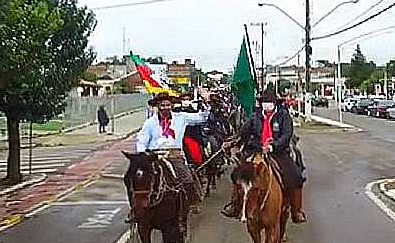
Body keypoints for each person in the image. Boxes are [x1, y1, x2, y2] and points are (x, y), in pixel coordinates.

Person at [124, 89, 212, 223]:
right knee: (131, 178)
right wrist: (142, 155)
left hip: (174, 156)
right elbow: (142, 139)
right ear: (157, 106)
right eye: (162, 105)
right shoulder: (150, 122)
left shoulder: (182, 117)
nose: (165, 108)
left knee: (187, 179)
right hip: (154, 157)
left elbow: (201, 118)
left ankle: (190, 203)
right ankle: (135, 209)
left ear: (171, 105)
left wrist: (206, 101)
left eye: (167, 105)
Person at [221, 87, 307, 223]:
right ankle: (235, 205)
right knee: (237, 175)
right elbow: (244, 132)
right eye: (265, 101)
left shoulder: (283, 116)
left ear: (275, 102)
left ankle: (297, 211)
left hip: (278, 152)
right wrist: (232, 142)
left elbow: (286, 135)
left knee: (295, 176)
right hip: (256, 151)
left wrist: (273, 146)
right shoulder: (255, 117)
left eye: (270, 101)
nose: (267, 104)